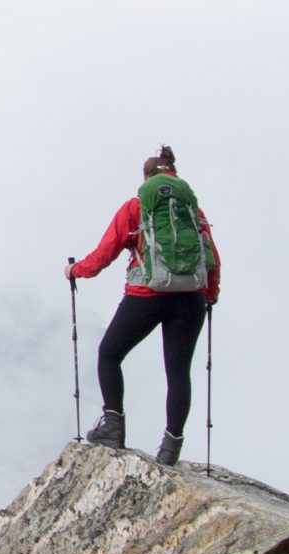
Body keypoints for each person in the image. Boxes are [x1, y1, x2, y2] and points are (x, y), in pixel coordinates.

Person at [65, 145, 221, 466]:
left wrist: (75, 270)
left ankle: (113, 426)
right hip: (190, 298)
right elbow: (212, 258)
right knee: (178, 372)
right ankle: (171, 447)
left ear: (145, 177)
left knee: (110, 353)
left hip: (146, 297)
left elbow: (103, 255)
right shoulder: (194, 211)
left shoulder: (136, 208)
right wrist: (209, 295)